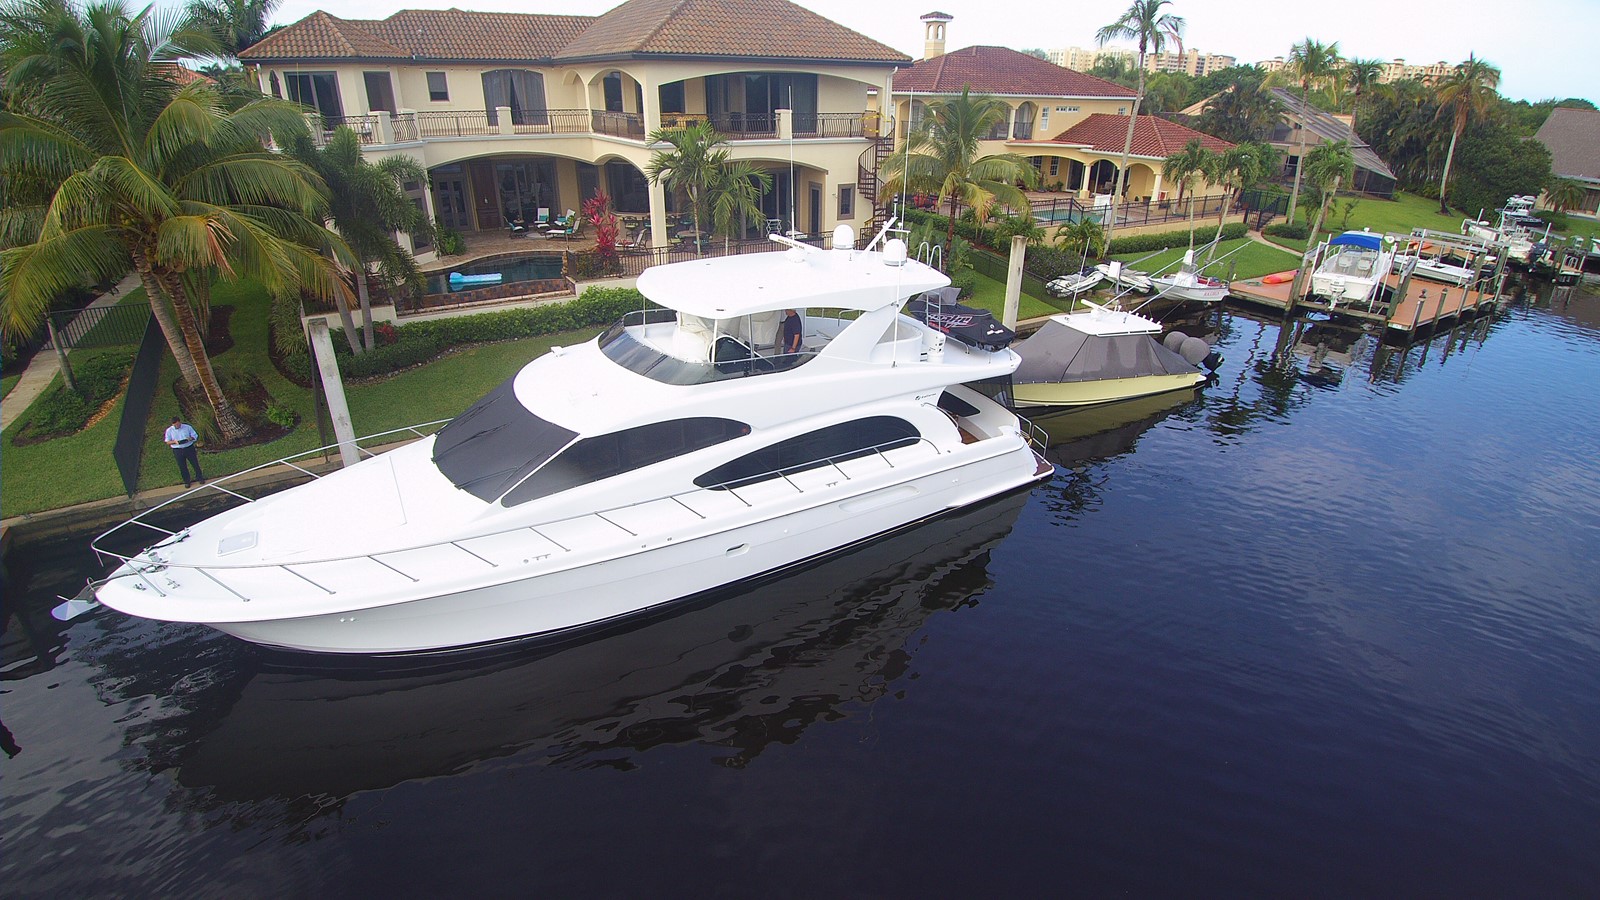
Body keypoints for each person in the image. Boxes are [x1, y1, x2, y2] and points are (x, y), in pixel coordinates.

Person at [164, 416, 204, 487]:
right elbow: (167, 441)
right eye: (175, 425)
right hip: (178, 450)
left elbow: (195, 435)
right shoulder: (169, 430)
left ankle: (200, 477)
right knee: (182, 466)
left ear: (180, 422)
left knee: (195, 463)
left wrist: (190, 438)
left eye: (178, 424)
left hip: (189, 448)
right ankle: (187, 481)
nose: (177, 426)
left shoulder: (187, 427)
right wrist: (174, 442)